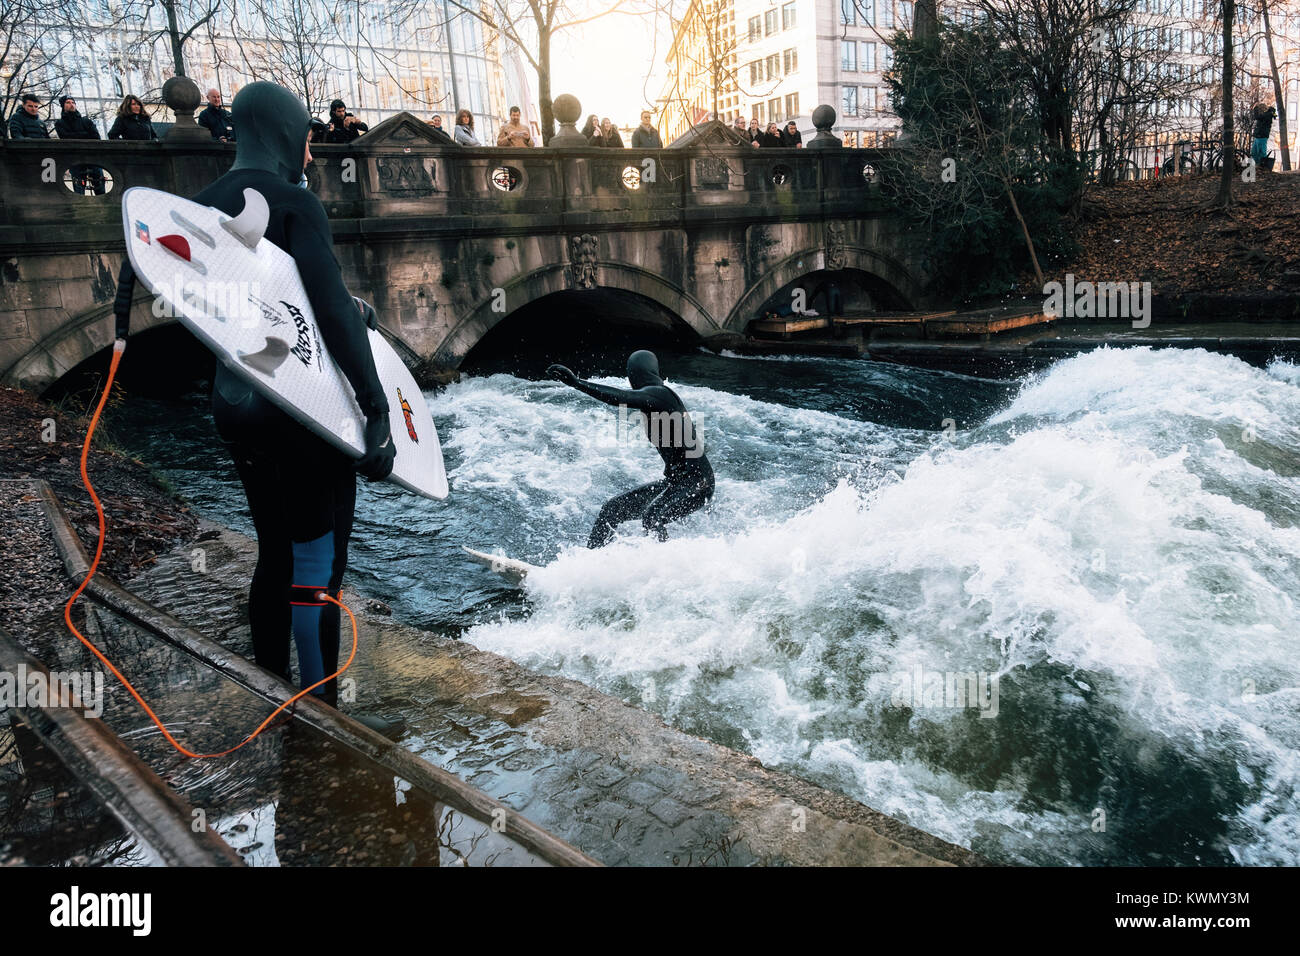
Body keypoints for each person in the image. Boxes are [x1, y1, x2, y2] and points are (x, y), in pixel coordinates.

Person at [110, 82, 398, 731]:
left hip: (234, 406)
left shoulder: (200, 207)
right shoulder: (294, 202)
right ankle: (322, 712)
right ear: (285, 134)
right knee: (318, 563)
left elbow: (256, 305)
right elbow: (324, 308)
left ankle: (269, 683)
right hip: (297, 410)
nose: (312, 155)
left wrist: (347, 310)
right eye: (307, 140)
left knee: (274, 548)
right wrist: (377, 412)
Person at [546, 351, 714, 548]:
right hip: (677, 482)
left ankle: (665, 568)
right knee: (612, 510)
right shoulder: (652, 399)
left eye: (632, 373)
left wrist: (578, 383)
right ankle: (591, 559)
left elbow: (621, 397)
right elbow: (630, 397)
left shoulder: (662, 394)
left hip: (698, 483)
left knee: (652, 518)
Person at [54, 96, 105, 195]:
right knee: (78, 191)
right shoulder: (60, 123)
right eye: (68, 102)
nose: (71, 104)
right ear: (63, 106)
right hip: (75, 159)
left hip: (92, 157)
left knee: (100, 188)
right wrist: (85, 135)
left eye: (73, 102)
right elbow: (65, 138)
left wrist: (75, 136)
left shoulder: (86, 121)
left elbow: (96, 137)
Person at [1251, 100, 1276, 165]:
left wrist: (1255, 108)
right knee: (1254, 153)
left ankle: (1262, 167)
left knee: (1261, 153)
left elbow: (1257, 117)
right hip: (1258, 136)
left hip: (1261, 136)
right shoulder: (1266, 115)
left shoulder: (1267, 115)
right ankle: (1256, 166)